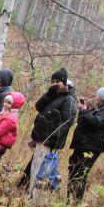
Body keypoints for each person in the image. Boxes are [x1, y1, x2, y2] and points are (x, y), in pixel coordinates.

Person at [28, 68, 77, 199]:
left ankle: (39, 200)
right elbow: (39, 107)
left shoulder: (69, 100)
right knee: (34, 169)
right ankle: (31, 196)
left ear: (64, 83)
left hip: (50, 143)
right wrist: (49, 94)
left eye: (58, 82)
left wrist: (54, 140)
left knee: (43, 173)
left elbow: (67, 122)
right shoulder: (52, 96)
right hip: (40, 139)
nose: (55, 84)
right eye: (53, 81)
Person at [67, 86, 104, 199]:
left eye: (98, 96)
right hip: (83, 144)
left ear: (103, 98)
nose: (96, 98)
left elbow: (95, 122)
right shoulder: (99, 109)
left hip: (90, 146)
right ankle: (70, 198)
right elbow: (85, 121)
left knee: (80, 172)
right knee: (74, 169)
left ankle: (76, 200)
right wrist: (84, 110)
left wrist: (84, 111)